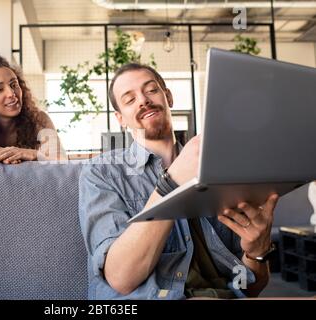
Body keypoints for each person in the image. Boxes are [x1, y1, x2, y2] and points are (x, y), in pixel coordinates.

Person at [78, 63, 279, 299]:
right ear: (121, 119)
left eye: (151, 90)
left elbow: (252, 287)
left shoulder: (217, 170)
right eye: (130, 99)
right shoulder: (102, 172)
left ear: (168, 97)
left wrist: (257, 251)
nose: (143, 100)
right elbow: (121, 278)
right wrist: (172, 183)